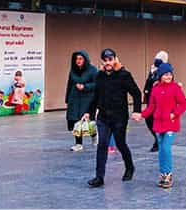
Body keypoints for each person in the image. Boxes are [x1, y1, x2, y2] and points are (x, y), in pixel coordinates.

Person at [87, 48, 143, 188]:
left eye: (110, 59)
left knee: (120, 144)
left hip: (119, 117)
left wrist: (137, 111)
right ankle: (99, 177)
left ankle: (130, 167)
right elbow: (95, 96)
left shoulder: (124, 75)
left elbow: (136, 93)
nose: (108, 63)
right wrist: (90, 112)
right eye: (105, 60)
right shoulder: (100, 76)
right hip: (104, 117)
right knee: (102, 145)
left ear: (115, 59)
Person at [139, 62, 186, 189]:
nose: (168, 76)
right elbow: (151, 107)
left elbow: (183, 104)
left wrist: (174, 114)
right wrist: (141, 115)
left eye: (170, 74)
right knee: (161, 150)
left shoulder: (175, 88)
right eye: (165, 74)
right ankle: (163, 174)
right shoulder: (155, 89)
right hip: (158, 124)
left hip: (170, 123)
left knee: (166, 148)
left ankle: (168, 174)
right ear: (160, 76)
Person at [65, 50, 98, 151]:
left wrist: (85, 86)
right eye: (76, 59)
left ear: (85, 59)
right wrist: (67, 99)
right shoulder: (73, 71)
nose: (78, 61)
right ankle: (78, 144)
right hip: (74, 99)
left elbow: (97, 84)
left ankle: (94, 136)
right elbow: (69, 85)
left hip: (87, 99)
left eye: (80, 59)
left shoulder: (92, 70)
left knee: (88, 121)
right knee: (76, 121)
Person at [142, 50, 169, 152]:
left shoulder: (165, 71)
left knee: (156, 121)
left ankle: (159, 141)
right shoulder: (152, 70)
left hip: (159, 101)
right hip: (150, 100)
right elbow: (148, 82)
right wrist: (145, 93)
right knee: (148, 120)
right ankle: (158, 138)